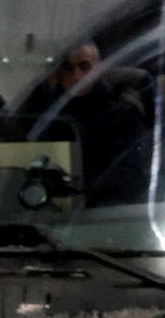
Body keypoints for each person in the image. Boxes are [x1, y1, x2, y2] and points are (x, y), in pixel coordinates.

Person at [24, 41, 147, 206]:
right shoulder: (45, 111)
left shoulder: (121, 114)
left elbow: (131, 177)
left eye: (85, 67)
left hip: (96, 210)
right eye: (68, 68)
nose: (76, 76)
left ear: (97, 70)